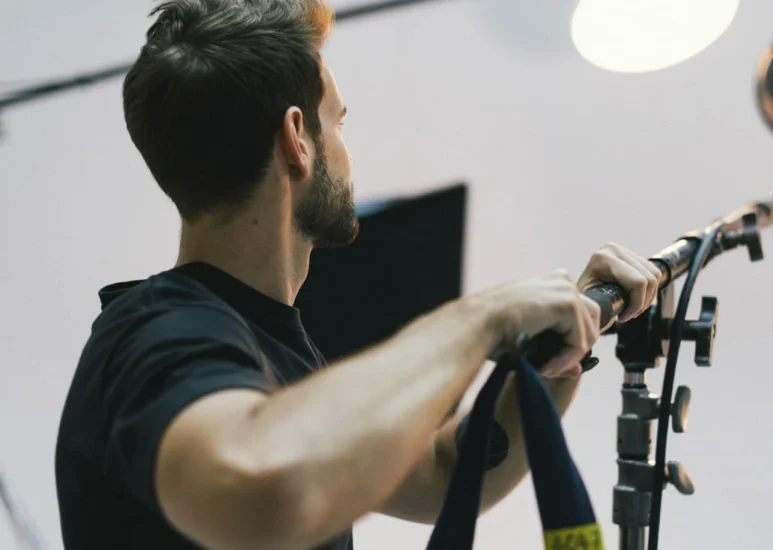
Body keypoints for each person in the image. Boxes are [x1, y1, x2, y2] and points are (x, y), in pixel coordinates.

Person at [54, 1, 663, 549]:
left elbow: (446, 473)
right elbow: (261, 487)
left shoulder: (264, 353)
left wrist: (564, 341)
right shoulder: (157, 332)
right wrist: (480, 318)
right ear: (299, 138)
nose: (347, 149)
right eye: (338, 122)